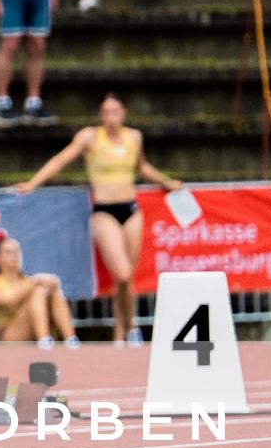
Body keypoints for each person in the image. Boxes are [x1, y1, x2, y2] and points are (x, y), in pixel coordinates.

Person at [12, 93, 182, 346]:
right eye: (106, 111)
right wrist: (33, 183)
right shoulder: (90, 137)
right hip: (104, 211)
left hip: (131, 209)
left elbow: (142, 167)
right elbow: (61, 160)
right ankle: (131, 326)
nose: (111, 116)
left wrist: (167, 182)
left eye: (115, 111)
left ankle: (121, 332)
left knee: (126, 279)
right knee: (122, 273)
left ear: (123, 112)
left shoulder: (134, 136)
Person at [0, 237, 79, 349]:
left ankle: (70, 338)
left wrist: (52, 283)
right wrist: (34, 284)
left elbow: (38, 286)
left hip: (34, 329)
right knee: (38, 291)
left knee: (52, 289)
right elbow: (9, 300)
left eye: (16, 251)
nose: (14, 255)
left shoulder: (28, 281)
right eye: (8, 252)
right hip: (12, 335)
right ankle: (44, 339)